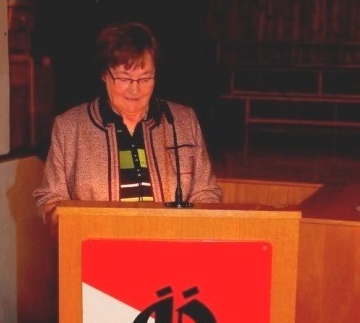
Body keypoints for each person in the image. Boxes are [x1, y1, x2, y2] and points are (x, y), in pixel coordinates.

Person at [33, 21, 222, 226]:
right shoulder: (70, 127)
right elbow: (50, 198)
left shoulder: (182, 121)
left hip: (170, 242)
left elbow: (206, 192)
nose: (135, 90)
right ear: (104, 74)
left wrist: (191, 227)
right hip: (99, 243)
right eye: (124, 79)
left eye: (145, 79)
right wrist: (77, 225)